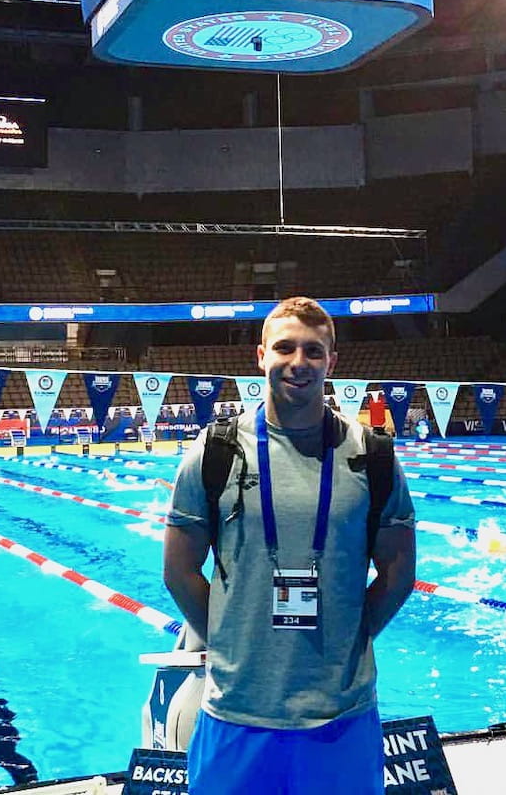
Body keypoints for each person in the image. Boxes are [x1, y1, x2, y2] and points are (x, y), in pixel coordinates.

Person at [163, 296, 416, 794]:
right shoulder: (215, 451)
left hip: (341, 716)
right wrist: (227, 640)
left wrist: (353, 636)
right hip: (237, 713)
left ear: (332, 361)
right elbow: (178, 571)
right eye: (284, 348)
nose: (298, 363)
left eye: (313, 351)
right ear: (261, 356)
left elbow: (398, 574)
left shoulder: (373, 456)